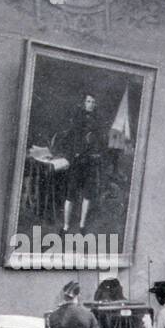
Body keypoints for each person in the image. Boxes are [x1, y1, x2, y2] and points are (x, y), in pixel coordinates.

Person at [62, 94, 103, 234]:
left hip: (90, 163)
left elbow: (100, 142)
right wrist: (73, 155)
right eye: (88, 101)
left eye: (93, 102)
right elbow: (69, 139)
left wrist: (97, 154)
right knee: (70, 195)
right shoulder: (77, 119)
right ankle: (65, 227)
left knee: (87, 195)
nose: (90, 104)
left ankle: (82, 226)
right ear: (84, 103)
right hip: (77, 163)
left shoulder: (98, 122)